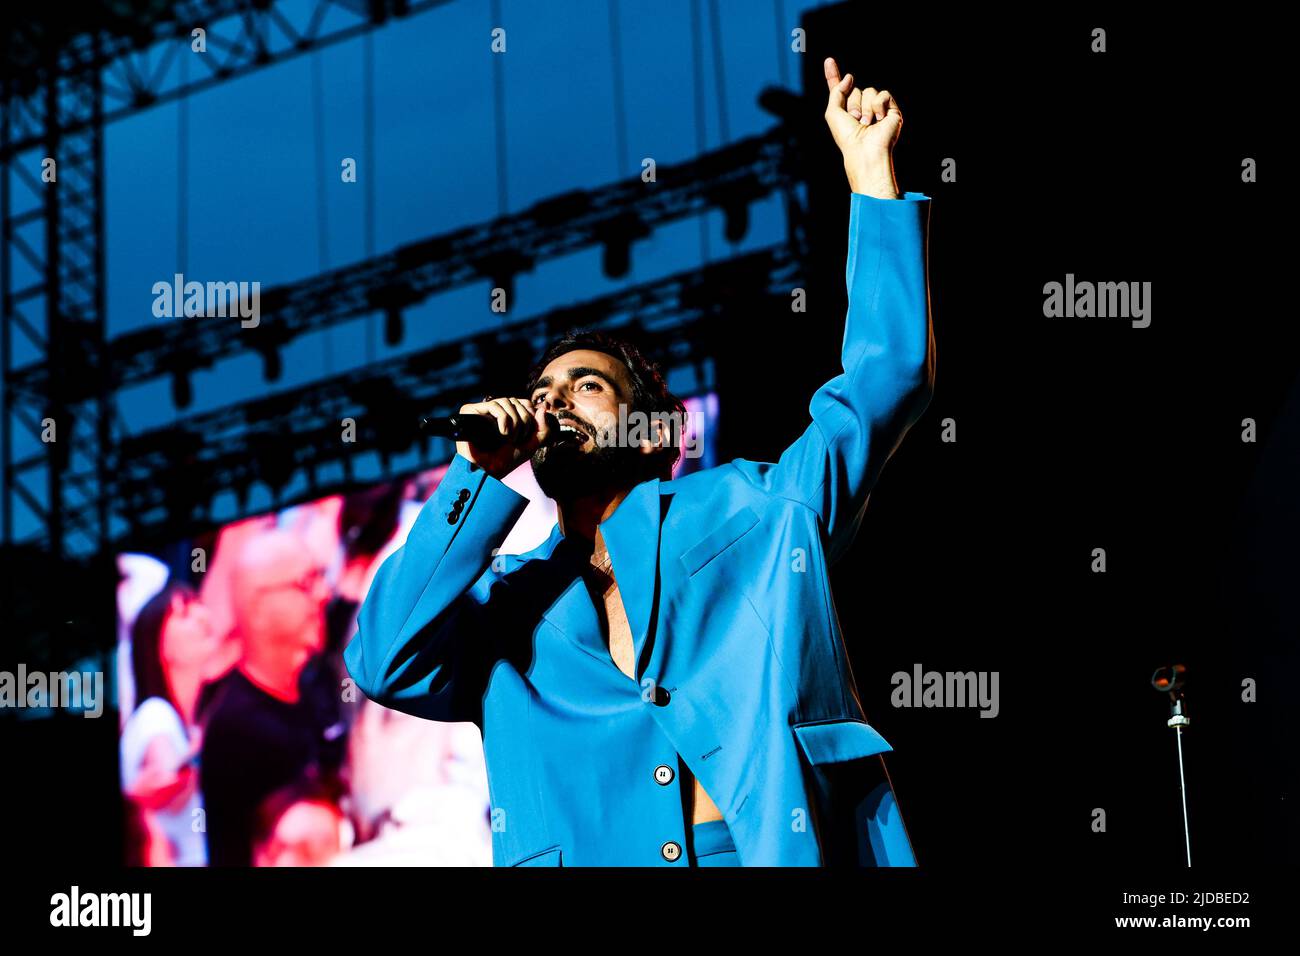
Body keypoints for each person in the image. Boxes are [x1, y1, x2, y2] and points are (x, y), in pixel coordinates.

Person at [344, 57, 935, 866]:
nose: (553, 402)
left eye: (586, 386)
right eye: (543, 390)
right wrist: (474, 476)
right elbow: (383, 662)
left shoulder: (754, 512)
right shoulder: (506, 610)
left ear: (657, 435)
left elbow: (884, 381)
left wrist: (871, 180)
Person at [199, 529, 345, 866]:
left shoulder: (312, 685)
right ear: (257, 606)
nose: (324, 594)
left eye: (321, 578)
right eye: (306, 583)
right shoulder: (236, 730)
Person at [120, 582, 216, 867]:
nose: (202, 615)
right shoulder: (155, 714)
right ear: (159, 646)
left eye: (199, 603)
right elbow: (167, 780)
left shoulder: (190, 725)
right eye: (184, 613)